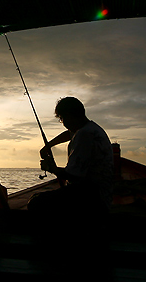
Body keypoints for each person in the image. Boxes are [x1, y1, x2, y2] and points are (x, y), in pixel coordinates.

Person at [27, 97, 115, 227]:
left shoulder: (84, 135)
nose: (62, 122)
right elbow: (69, 134)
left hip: (91, 199)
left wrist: (51, 168)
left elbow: (74, 175)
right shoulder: (91, 128)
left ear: (69, 116)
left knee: (35, 203)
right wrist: (48, 146)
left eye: (62, 118)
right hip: (102, 193)